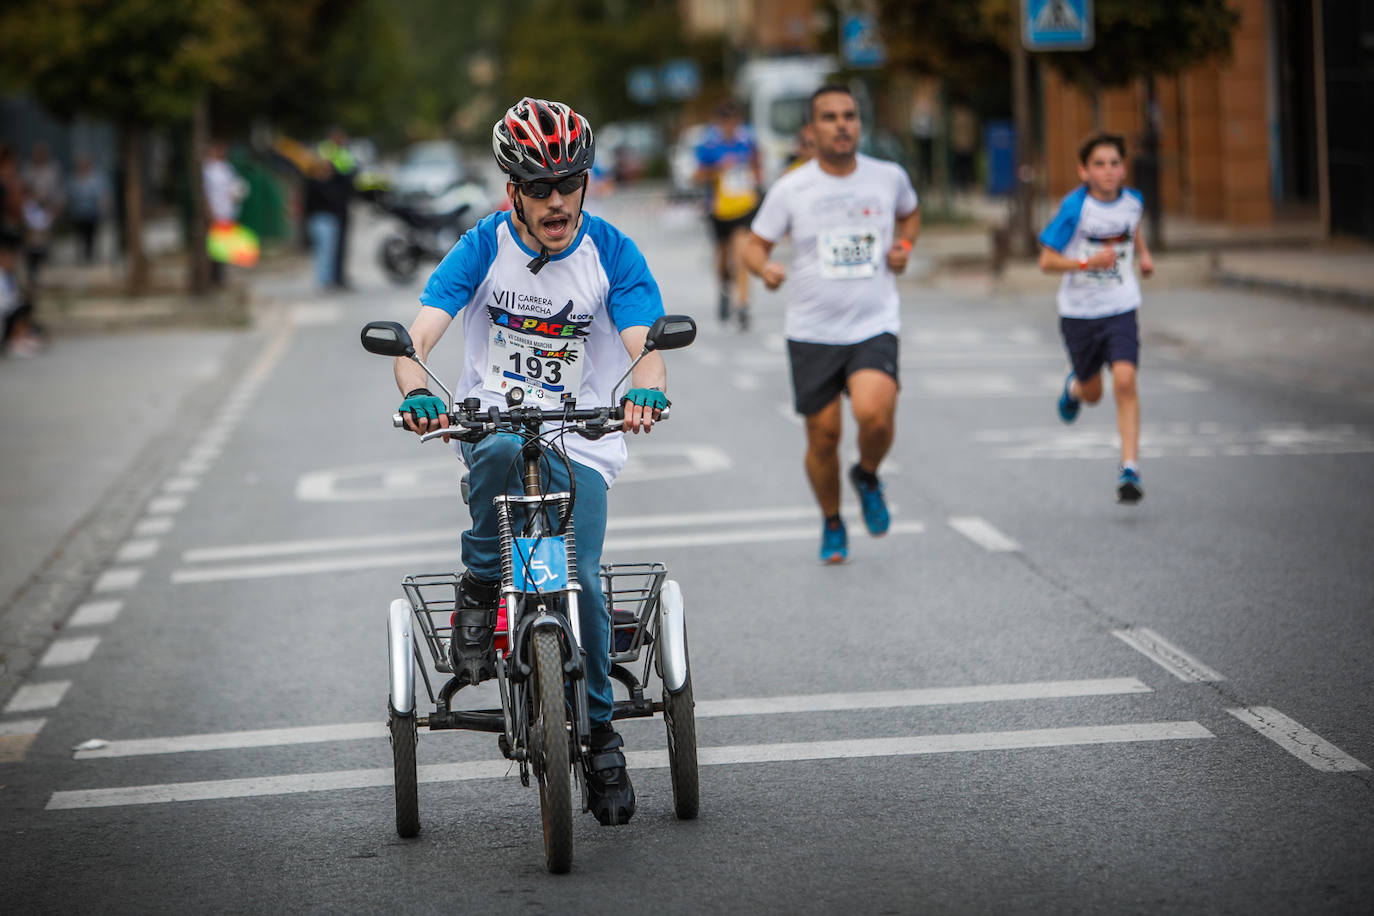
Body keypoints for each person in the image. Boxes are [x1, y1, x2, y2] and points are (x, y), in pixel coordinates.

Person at [394, 97, 670, 827]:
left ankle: (602, 738)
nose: (556, 201)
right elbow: (419, 338)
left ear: (586, 181)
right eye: (538, 188)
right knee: (500, 448)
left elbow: (646, 345)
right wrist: (418, 388)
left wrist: (645, 385)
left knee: (579, 580)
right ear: (510, 190)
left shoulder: (612, 251)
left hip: (583, 435)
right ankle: (482, 581)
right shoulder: (481, 247)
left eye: (568, 184)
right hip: (497, 422)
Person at [744, 85, 920, 564]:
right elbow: (753, 244)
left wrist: (904, 248)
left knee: (875, 416)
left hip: (874, 323)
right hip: (812, 330)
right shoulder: (793, 187)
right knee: (823, 439)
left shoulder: (888, 177)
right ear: (811, 129)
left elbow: (910, 214)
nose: (842, 124)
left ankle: (866, 474)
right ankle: (832, 520)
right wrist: (766, 270)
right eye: (830, 117)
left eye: (849, 115)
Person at [1038, 132, 1154, 504]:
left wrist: (1145, 255)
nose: (1108, 171)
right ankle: (1074, 388)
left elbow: (1131, 230)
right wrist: (1086, 263)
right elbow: (1046, 261)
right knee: (1094, 393)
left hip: (1120, 305)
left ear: (1124, 169)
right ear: (1083, 170)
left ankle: (1130, 468)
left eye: (1114, 163)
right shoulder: (1075, 208)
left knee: (1125, 380)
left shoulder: (1134, 201)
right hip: (1080, 314)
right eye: (1099, 164)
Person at [694, 100, 762, 330]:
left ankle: (742, 304)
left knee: (741, 253)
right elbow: (697, 175)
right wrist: (718, 169)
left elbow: (757, 167)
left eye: (734, 123)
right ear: (719, 123)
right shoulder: (709, 145)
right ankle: (724, 288)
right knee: (723, 258)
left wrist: (754, 176)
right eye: (726, 123)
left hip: (744, 207)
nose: (730, 128)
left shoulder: (748, 142)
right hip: (719, 209)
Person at [202, 140, 248, 285]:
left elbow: (234, 187)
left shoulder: (227, 168)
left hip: (226, 211)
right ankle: (213, 276)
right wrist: (209, 211)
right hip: (215, 212)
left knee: (223, 245)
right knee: (213, 246)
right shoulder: (207, 169)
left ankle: (220, 276)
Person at [317, 128, 356, 290]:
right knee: (332, 245)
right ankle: (333, 278)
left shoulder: (342, 153)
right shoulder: (329, 152)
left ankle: (338, 277)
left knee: (340, 245)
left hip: (342, 204)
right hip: (334, 205)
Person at [21, 142, 62, 290]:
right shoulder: (28, 169)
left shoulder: (52, 170)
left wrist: (55, 206)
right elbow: (24, 188)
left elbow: (56, 190)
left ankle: (40, 268)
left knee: (43, 242)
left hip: (46, 208)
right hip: (31, 208)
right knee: (32, 243)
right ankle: (33, 271)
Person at [66, 154, 109, 264]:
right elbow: (69, 195)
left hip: (92, 212)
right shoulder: (74, 179)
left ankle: (90, 257)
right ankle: (81, 257)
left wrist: (103, 206)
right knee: (80, 236)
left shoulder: (96, 178)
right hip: (78, 213)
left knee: (91, 235)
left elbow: (102, 194)